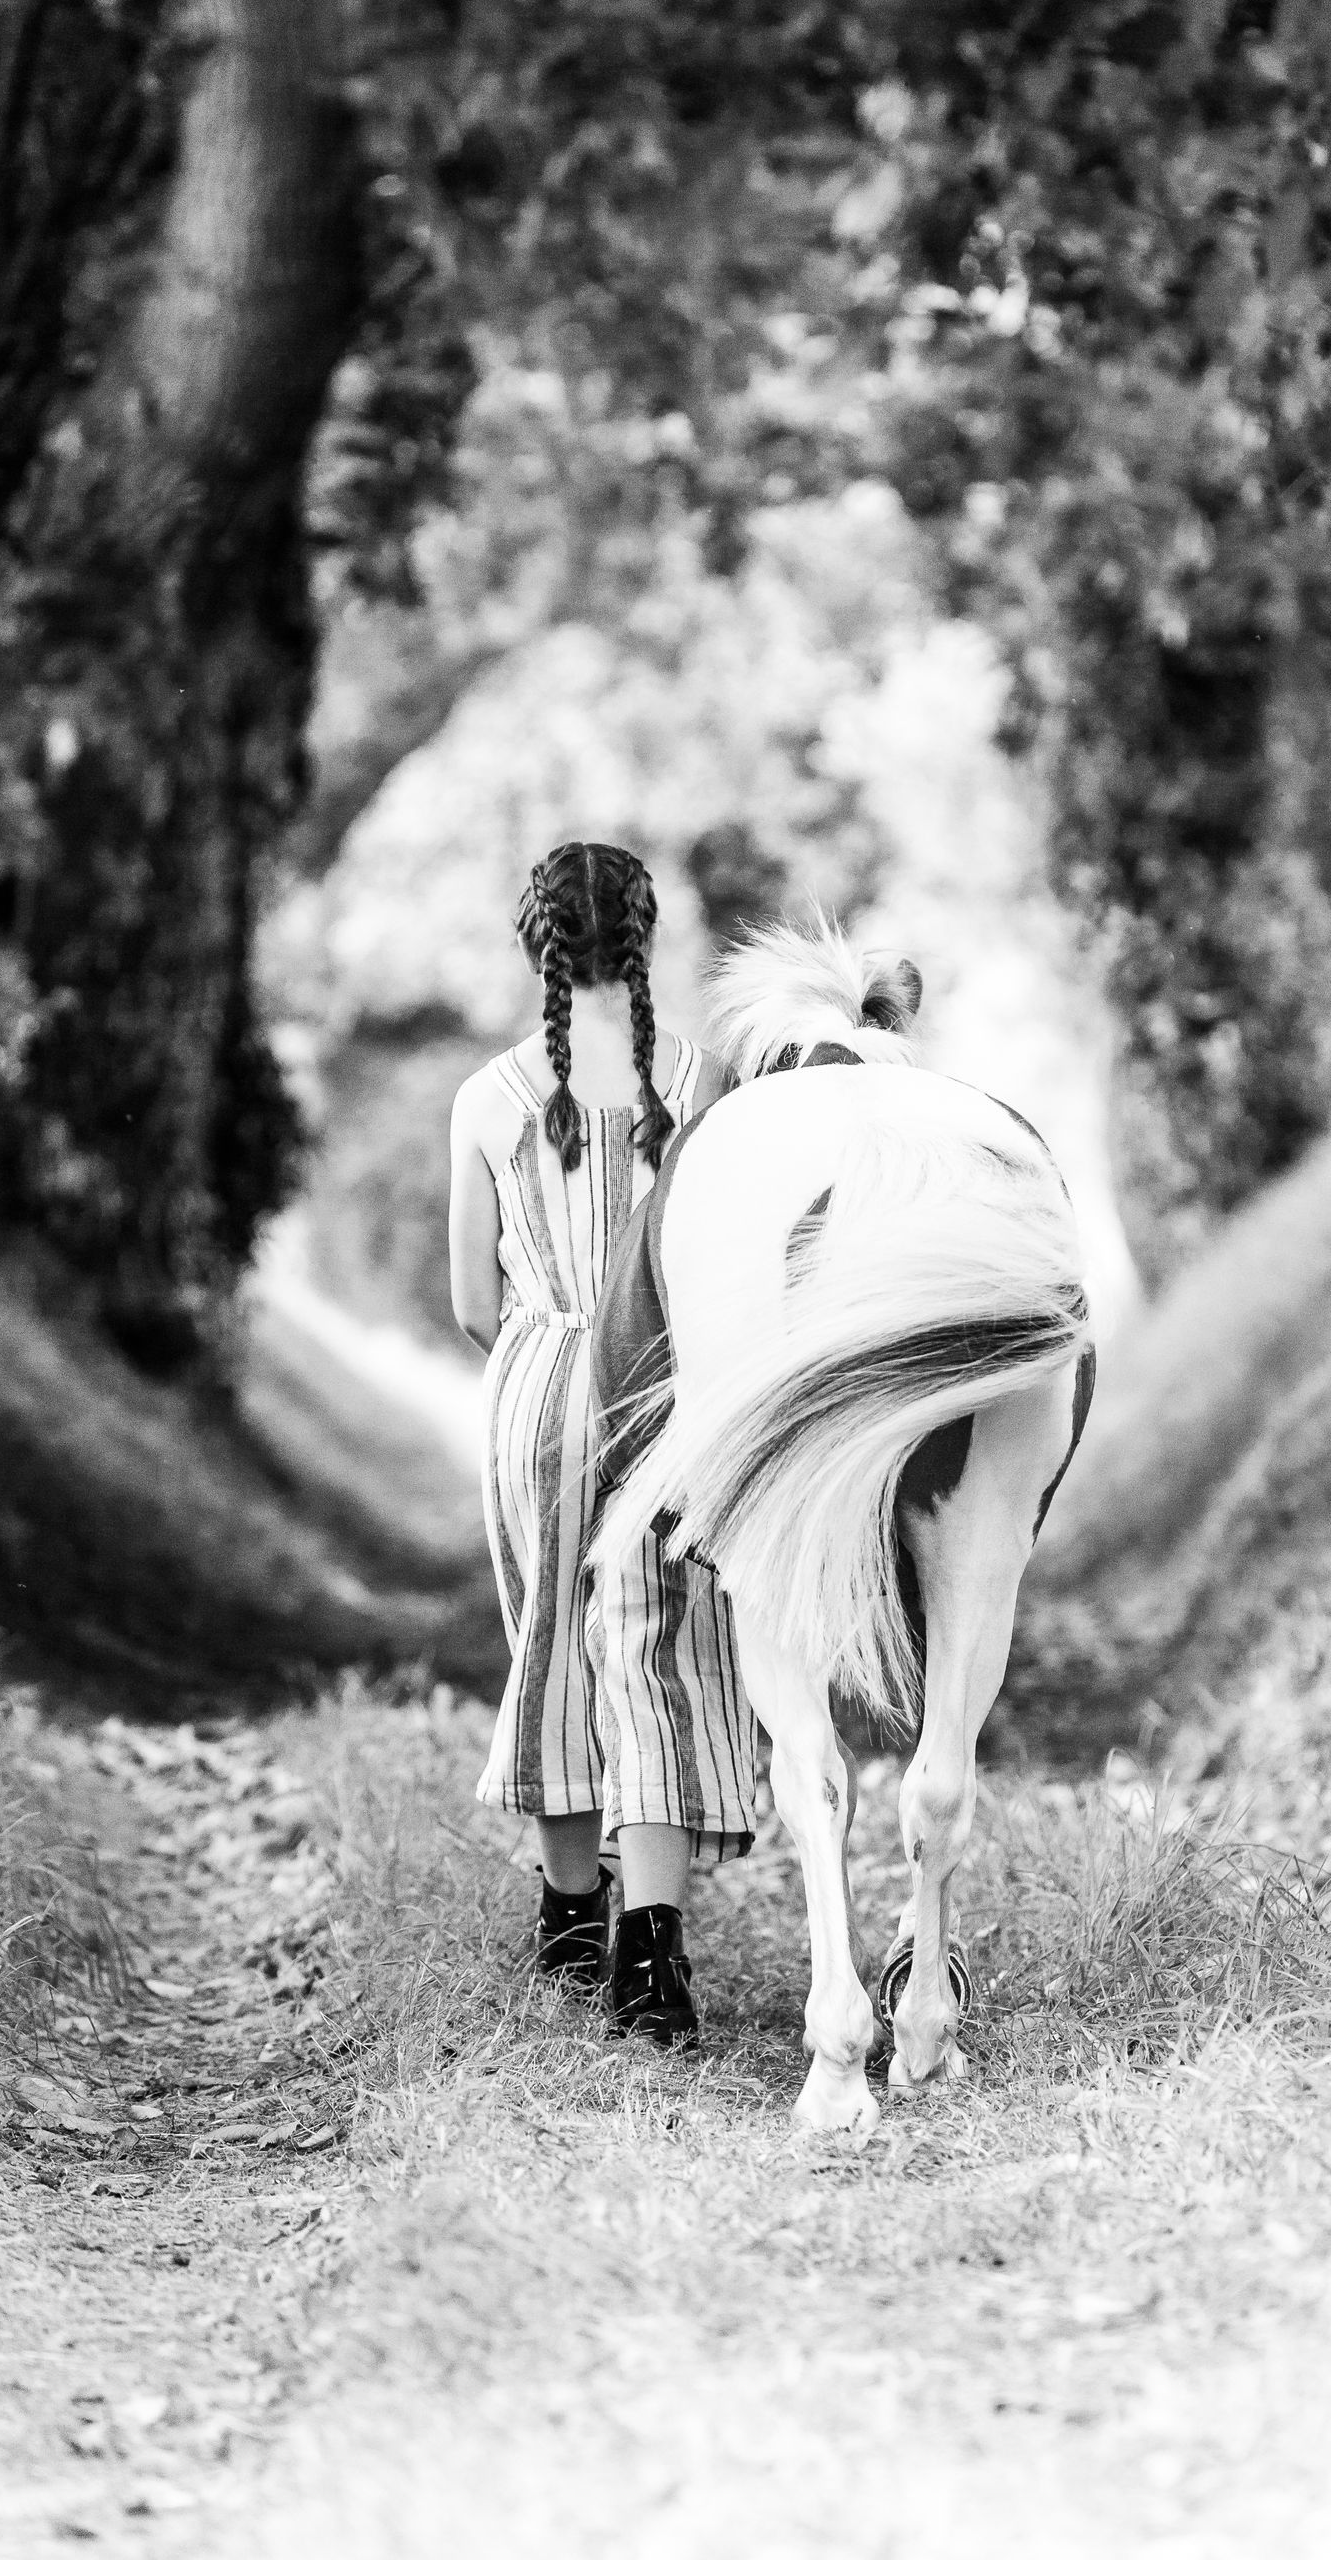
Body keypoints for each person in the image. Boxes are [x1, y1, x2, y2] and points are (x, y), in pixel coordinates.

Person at [448, 841, 755, 2044]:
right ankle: (653, 1955)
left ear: (534, 946)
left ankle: (572, 1912)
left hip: (537, 1388)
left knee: (553, 1649)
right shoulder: (707, 1081)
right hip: (672, 1389)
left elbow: (474, 1298)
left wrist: (550, 1364)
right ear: (645, 940)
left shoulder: (489, 1098)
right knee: (657, 1654)